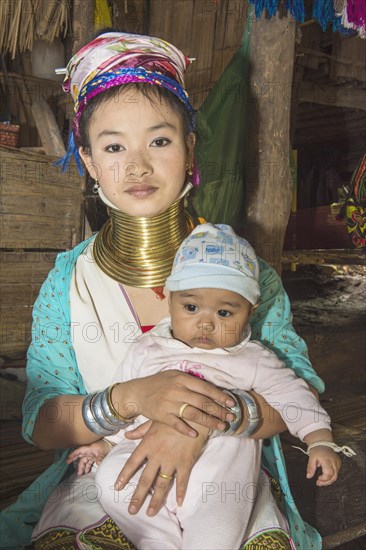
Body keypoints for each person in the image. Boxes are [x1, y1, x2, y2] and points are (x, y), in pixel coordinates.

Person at [0, 31, 326, 550]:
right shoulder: (71, 282)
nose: (137, 165)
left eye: (159, 140)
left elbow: (298, 393)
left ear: (190, 146)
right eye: (112, 146)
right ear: (87, 161)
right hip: (108, 475)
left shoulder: (245, 274)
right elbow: (43, 419)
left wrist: (197, 422)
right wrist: (131, 398)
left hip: (226, 477)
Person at [66, 223, 347, 550]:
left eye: (225, 312)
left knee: (217, 534)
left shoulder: (254, 358)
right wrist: (105, 445)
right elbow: (129, 401)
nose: (206, 322)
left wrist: (319, 440)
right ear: (169, 300)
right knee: (111, 480)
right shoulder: (148, 349)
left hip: (219, 481)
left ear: (250, 312)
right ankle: (158, 541)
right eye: (191, 307)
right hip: (148, 462)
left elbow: (294, 395)